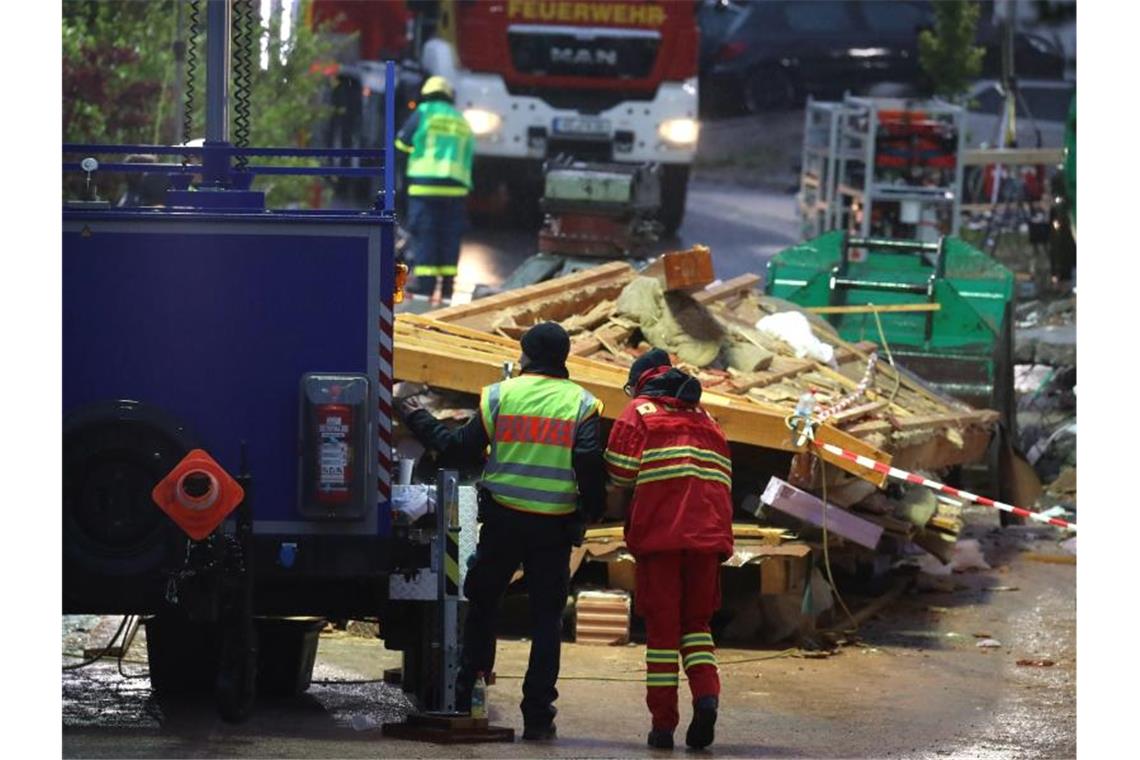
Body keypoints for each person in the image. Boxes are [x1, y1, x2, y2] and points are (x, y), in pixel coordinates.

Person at [395, 322, 606, 740]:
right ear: (562, 358)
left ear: (526, 356)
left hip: (504, 520)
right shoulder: (582, 404)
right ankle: (539, 716)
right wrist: (591, 509)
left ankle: (467, 695)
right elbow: (587, 461)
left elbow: (459, 448)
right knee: (546, 619)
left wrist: (415, 414)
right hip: (554, 526)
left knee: (484, 603)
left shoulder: (500, 395)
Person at [603, 349, 734, 751]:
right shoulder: (706, 418)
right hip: (708, 540)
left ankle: (663, 727)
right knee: (697, 627)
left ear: (641, 380)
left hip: (661, 539)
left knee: (662, 633)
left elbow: (620, 472)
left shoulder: (639, 411)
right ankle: (706, 697)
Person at [395, 75, 475, 305]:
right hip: (456, 190)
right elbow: (470, 155)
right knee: (450, 237)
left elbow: (400, 145)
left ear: (427, 94)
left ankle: (425, 293)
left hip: (425, 187)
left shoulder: (424, 112)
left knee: (426, 235)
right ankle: (448, 293)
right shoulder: (460, 120)